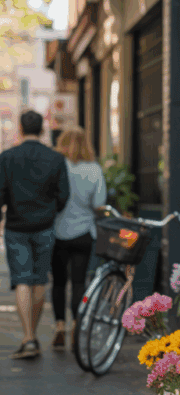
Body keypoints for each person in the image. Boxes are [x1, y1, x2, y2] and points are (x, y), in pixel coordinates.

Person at [0, 110, 70, 359]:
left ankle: (29, 337)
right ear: (42, 130)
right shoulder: (55, 158)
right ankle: (34, 335)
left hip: (16, 227)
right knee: (40, 280)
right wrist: (50, 210)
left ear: (20, 128)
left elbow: (1, 192)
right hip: (45, 225)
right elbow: (63, 195)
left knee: (22, 280)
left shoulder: (7, 157)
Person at [51, 126, 107, 349]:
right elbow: (99, 204)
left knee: (58, 282)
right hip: (84, 233)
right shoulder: (94, 170)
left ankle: (59, 326)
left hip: (57, 233)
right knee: (78, 282)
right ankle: (76, 324)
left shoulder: (58, 167)